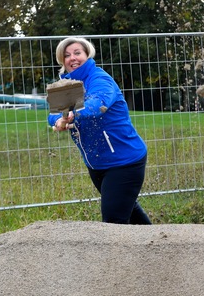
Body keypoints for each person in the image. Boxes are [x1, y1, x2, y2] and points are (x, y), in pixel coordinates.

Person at [48, 37, 152, 225]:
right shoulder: (65, 84)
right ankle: (161, 246)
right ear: (61, 60)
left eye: (77, 53)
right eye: (67, 55)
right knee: (128, 212)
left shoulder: (100, 79)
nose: (72, 58)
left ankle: (124, 254)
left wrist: (71, 115)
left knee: (113, 222)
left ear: (87, 54)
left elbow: (97, 105)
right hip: (97, 164)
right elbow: (53, 114)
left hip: (124, 161)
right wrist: (58, 121)